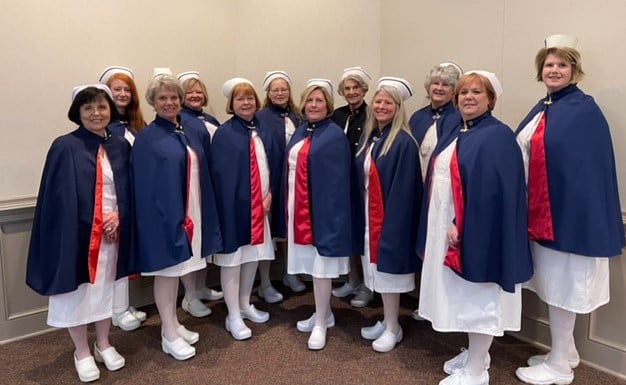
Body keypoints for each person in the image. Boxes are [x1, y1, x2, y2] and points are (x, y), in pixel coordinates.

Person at [514, 35, 624, 385]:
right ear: (540, 70)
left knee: (563, 287)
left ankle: (560, 365)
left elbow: (584, 173)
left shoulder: (582, 111)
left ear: (575, 70)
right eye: (549, 64)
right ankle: (567, 352)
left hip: (570, 221)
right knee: (553, 285)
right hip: (547, 217)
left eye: (562, 64)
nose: (555, 70)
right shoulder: (546, 106)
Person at [416, 71, 533, 385]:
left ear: (490, 99)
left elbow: (495, 193)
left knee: (479, 296)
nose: (468, 97)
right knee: (463, 294)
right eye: (464, 92)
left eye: (476, 92)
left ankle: (477, 370)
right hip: (448, 228)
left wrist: (461, 223)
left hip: (478, 232)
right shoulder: (460, 131)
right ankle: (475, 352)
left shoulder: (497, 136)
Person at [26, 85, 133, 382]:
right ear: (78, 113)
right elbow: (57, 199)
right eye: (88, 108)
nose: (96, 113)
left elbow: (128, 190)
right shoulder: (65, 146)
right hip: (78, 236)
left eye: (101, 107)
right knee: (79, 293)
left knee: (105, 291)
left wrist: (119, 215)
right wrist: (95, 221)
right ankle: (82, 351)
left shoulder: (121, 145)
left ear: (110, 110)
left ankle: (104, 343)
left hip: (114, 233)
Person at [131, 73, 222, 360]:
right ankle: (169, 333)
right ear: (153, 103)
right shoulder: (147, 138)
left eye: (173, 97)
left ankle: (173, 323)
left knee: (182, 269)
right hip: (165, 217)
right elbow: (145, 187)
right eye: (162, 98)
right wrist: (163, 220)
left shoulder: (188, 131)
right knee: (168, 273)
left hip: (192, 210)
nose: (169, 102)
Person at [279, 79, 353, 350]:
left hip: (323, 214)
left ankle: (321, 322)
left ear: (328, 106)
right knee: (312, 266)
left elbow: (337, 183)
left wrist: (331, 218)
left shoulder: (333, 135)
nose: (313, 105)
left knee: (322, 268)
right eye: (309, 100)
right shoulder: (301, 132)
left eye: (319, 101)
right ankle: (324, 313)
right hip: (299, 210)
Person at [210, 77, 281, 340]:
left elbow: (272, 165)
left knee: (252, 256)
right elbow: (221, 177)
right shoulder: (224, 134)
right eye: (240, 98)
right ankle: (233, 314)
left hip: (261, 207)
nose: (246, 102)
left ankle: (244, 303)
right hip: (235, 209)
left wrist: (271, 193)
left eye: (250, 97)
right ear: (231, 103)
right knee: (233, 259)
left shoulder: (262, 129)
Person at [354, 77, 422, 352]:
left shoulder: (403, 143)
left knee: (388, 274)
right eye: (378, 101)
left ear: (398, 108)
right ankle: (386, 319)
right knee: (376, 273)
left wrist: (393, 226)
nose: (381, 106)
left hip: (390, 220)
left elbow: (405, 191)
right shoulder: (372, 138)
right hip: (371, 217)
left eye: (388, 102)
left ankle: (394, 327)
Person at [408, 62, 463, 321]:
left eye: (446, 85)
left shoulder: (458, 118)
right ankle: (422, 296)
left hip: (439, 193)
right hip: (415, 187)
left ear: (454, 90)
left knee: (437, 245)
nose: (439, 88)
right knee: (420, 241)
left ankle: (437, 301)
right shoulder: (418, 117)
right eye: (436, 84)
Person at [98, 66, 147, 331]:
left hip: (134, 200)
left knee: (125, 253)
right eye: (117, 89)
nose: (123, 94)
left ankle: (123, 304)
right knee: (113, 256)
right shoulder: (105, 131)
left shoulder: (137, 126)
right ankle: (115, 310)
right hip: (113, 202)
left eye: (127, 89)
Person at [176, 71, 224, 318]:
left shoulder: (211, 119)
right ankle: (189, 295)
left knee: (206, 241)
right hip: (194, 189)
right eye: (189, 91)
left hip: (212, 187)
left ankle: (202, 287)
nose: (195, 95)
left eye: (198, 91)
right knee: (192, 243)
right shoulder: (181, 120)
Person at [256, 70, 306, 301]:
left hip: (294, 182)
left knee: (290, 229)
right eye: (275, 89)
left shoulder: (298, 117)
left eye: (283, 89)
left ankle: (289, 273)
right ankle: (265, 282)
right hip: (271, 181)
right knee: (267, 233)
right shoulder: (260, 117)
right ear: (268, 93)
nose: (280, 93)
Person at [331, 66, 373, 308]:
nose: (351, 92)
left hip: (363, 182)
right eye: (347, 88)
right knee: (348, 231)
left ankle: (368, 285)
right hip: (340, 182)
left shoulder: (373, 115)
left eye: (356, 87)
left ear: (364, 89)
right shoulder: (337, 115)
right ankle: (353, 278)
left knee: (364, 232)